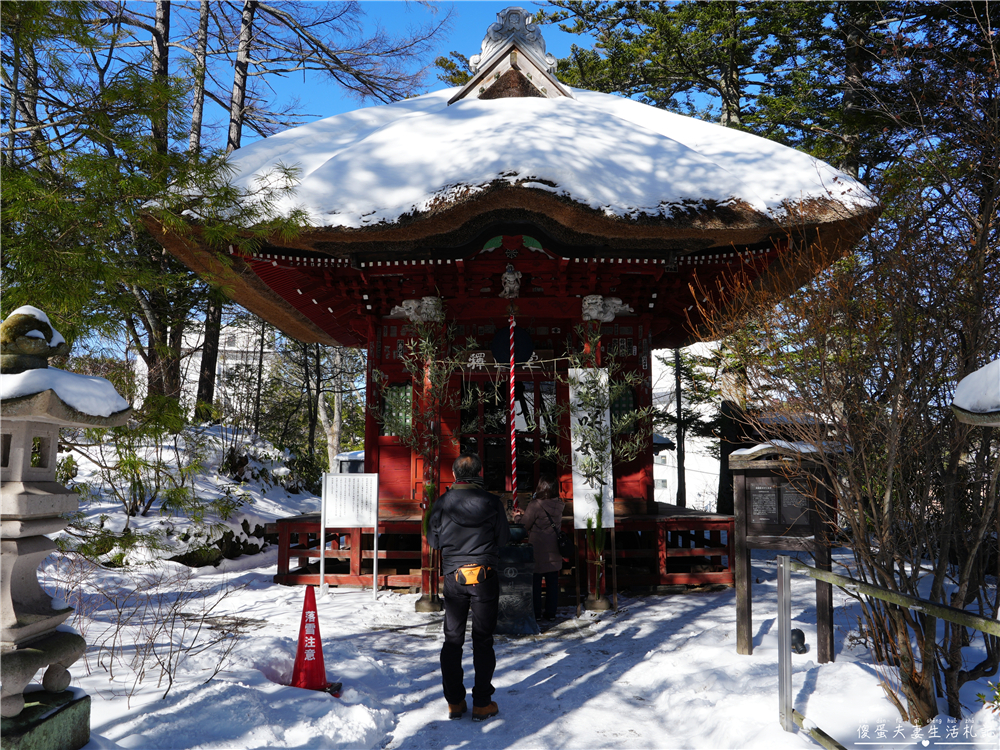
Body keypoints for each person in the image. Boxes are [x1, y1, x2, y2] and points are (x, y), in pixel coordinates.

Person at [428, 453, 510, 722]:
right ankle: (482, 703)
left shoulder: (442, 503)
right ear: (480, 472)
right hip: (484, 576)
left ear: (454, 475)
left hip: (454, 576)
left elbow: (434, 541)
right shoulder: (492, 502)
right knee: (483, 641)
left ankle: (455, 701)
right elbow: (504, 540)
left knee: (453, 641)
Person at [519, 474, 565, 621]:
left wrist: (517, 517)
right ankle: (551, 613)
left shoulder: (535, 504)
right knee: (552, 584)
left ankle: (536, 613)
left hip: (538, 549)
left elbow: (524, 525)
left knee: (536, 585)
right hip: (554, 549)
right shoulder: (559, 504)